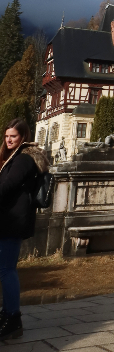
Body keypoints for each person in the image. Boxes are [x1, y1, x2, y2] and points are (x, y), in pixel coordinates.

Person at [0, 118, 49, 340]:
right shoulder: (16, 157)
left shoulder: (23, 159)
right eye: (7, 136)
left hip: (12, 222)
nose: (9, 140)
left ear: (23, 137)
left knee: (7, 269)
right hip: (10, 220)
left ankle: (13, 317)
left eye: (14, 136)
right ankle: (8, 313)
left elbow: (7, 186)